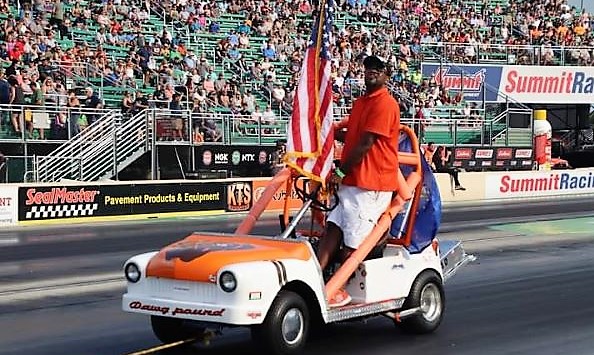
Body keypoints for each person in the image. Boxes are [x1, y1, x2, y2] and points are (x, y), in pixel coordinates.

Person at [316, 55, 401, 308]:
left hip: (370, 183)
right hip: (353, 182)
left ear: (387, 74)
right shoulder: (361, 102)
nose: (371, 71)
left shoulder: (385, 104)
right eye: (368, 67)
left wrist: (339, 173)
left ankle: (338, 288)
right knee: (334, 227)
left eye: (378, 68)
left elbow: (365, 144)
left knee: (353, 239)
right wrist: (327, 131)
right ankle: (317, 279)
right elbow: (352, 134)